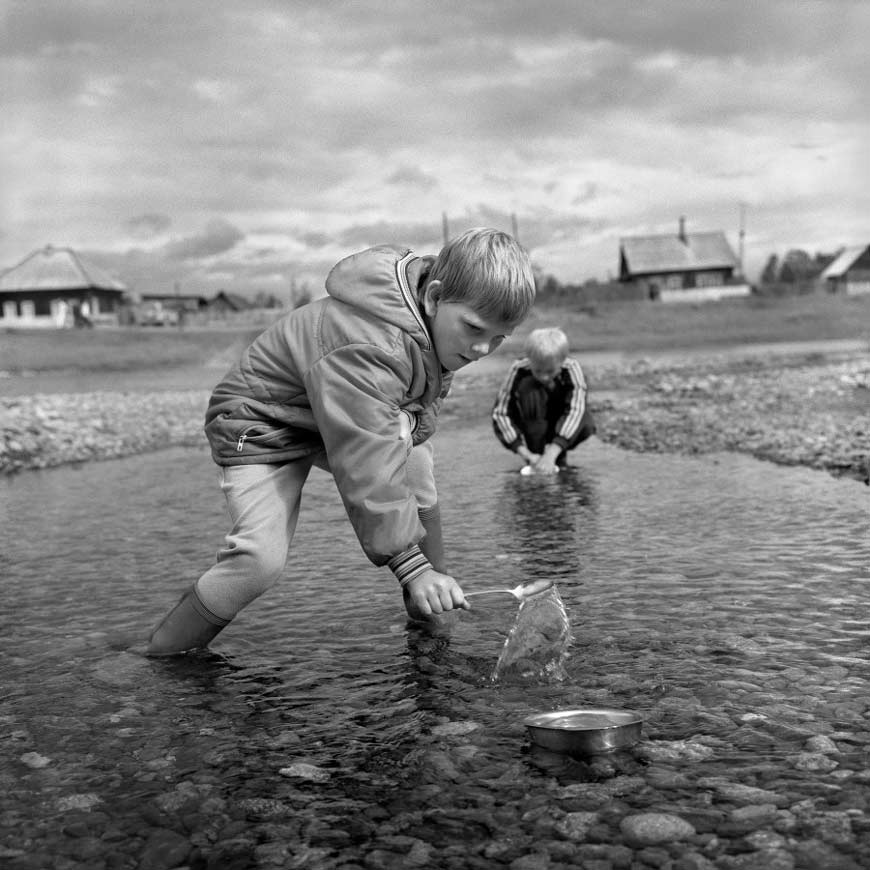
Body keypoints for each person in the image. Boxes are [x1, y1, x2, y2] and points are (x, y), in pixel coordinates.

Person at [145, 228, 536, 655]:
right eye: (475, 329)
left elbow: (420, 415)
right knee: (259, 562)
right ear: (435, 297)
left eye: (499, 339)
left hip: (319, 417)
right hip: (260, 423)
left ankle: (433, 605)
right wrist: (408, 565)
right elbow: (365, 462)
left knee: (416, 459)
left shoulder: (438, 335)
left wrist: (407, 425)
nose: (482, 348)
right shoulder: (371, 345)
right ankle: (164, 653)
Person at [491, 327, 595, 475]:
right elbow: (500, 413)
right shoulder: (519, 369)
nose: (544, 377)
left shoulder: (572, 368)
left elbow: (576, 410)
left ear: (562, 361)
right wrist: (525, 453)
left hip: (562, 418)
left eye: (550, 371)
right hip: (532, 419)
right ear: (529, 360)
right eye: (538, 371)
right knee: (529, 387)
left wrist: (552, 452)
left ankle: (558, 455)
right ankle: (535, 454)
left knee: (584, 420)